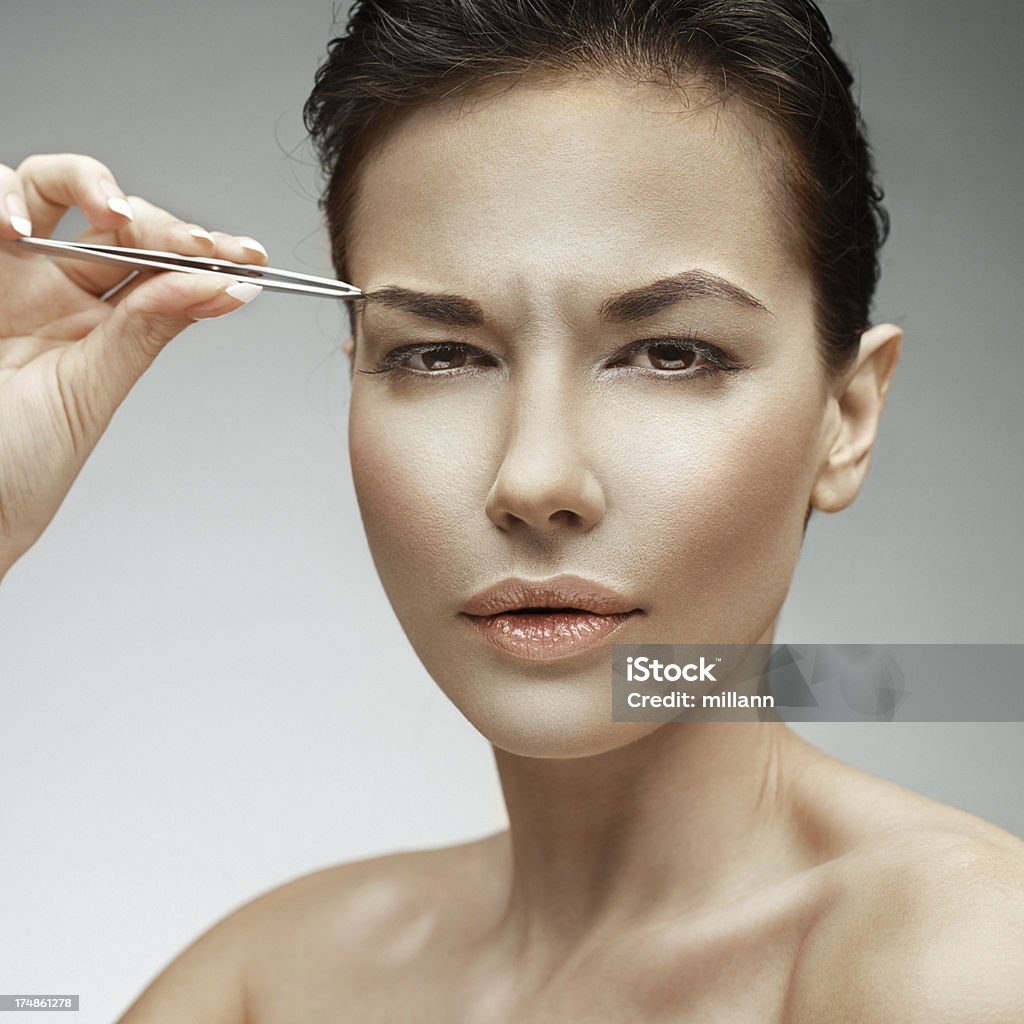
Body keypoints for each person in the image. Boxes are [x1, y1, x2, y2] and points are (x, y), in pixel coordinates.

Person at [2, 0, 1022, 1020]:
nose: (534, 481)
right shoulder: (268, 985)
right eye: (440, 352)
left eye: (671, 353)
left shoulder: (960, 963)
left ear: (845, 417)